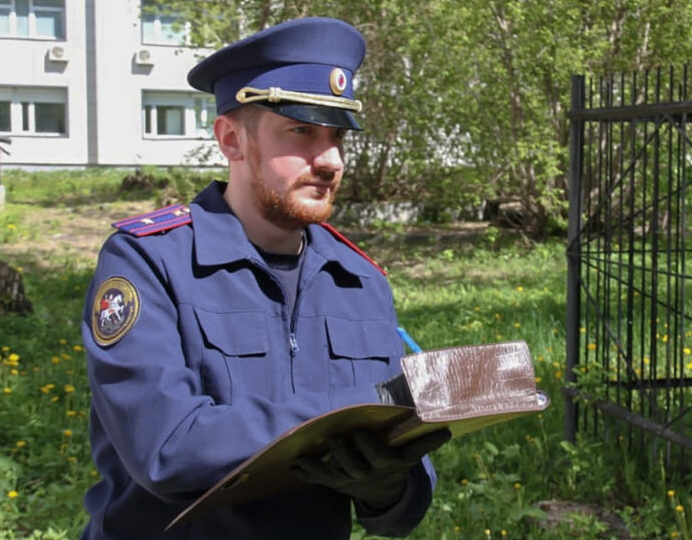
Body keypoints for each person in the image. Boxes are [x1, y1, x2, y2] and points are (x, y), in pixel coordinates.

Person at [80, 17, 450, 540]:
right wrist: (358, 409)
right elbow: (166, 449)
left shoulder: (360, 280)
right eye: (301, 131)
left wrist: (387, 487)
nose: (330, 160)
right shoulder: (151, 262)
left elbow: (402, 507)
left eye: (337, 136)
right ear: (231, 139)